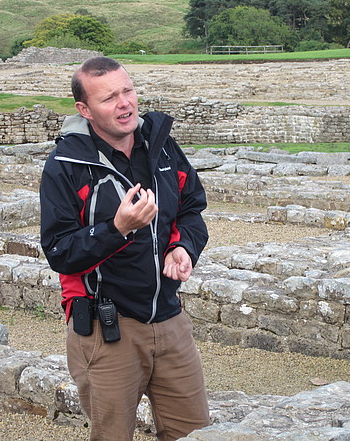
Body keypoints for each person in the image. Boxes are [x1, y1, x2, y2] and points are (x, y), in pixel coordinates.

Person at [39, 56, 210, 441]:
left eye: (128, 90)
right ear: (84, 109)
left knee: (194, 432)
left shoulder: (162, 147)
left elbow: (191, 209)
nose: (125, 104)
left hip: (170, 319)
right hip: (106, 329)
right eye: (109, 98)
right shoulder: (66, 165)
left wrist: (182, 248)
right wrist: (117, 229)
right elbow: (60, 251)